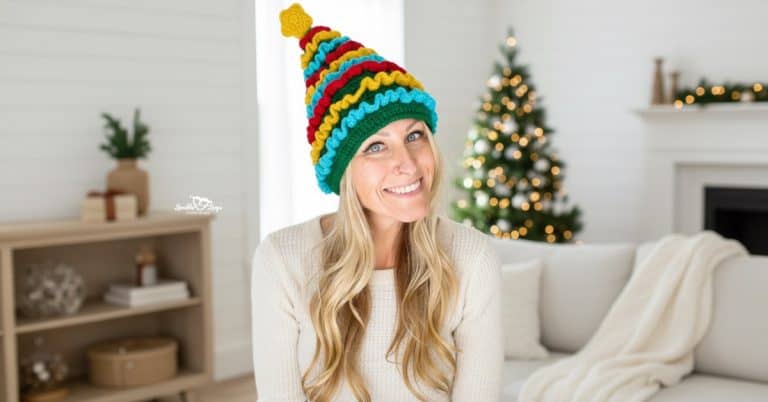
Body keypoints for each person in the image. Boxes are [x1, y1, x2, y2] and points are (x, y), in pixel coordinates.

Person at [251, 3, 503, 401]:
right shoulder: (282, 261)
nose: (407, 163)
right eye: (376, 146)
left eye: (415, 135)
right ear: (343, 173)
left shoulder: (471, 257)